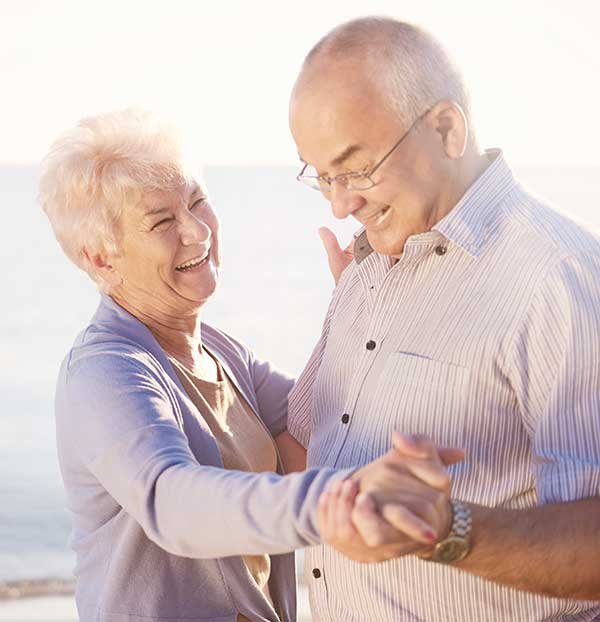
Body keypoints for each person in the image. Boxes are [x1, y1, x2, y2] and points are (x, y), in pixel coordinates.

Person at [38, 108, 458, 622]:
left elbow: (329, 431)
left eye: (197, 202)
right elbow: (174, 504)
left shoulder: (223, 352)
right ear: (101, 258)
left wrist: (357, 300)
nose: (196, 231)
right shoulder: (105, 372)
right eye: (162, 221)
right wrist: (335, 505)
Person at [287, 16, 600, 622]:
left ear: (446, 129)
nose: (340, 202)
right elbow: (306, 444)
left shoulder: (559, 279)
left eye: (354, 169)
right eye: (321, 175)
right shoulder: (369, 260)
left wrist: (444, 530)